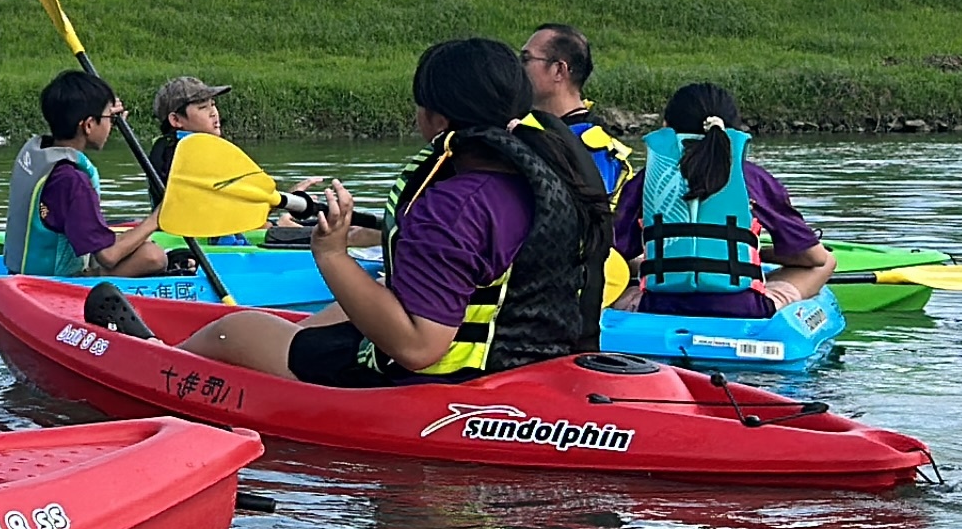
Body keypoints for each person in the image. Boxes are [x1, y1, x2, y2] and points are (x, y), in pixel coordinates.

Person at [87, 38, 606, 387]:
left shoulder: (453, 203)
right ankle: (285, 343)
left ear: (437, 117)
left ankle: (159, 359)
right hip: (529, 362)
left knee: (236, 329)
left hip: (435, 383)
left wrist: (332, 254)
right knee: (331, 316)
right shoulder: (551, 173)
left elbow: (420, 347)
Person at [612, 84, 835, 318]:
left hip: (658, 306)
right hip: (744, 309)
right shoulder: (753, 179)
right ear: (733, 128)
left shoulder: (646, 180)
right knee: (827, 262)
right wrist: (762, 254)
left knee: (622, 275)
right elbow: (814, 257)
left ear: (667, 127)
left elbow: (616, 254)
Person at [3, 72, 169, 279]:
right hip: (51, 280)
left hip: (23, 266)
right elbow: (108, 256)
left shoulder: (39, 152)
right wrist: (157, 218)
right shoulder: (73, 181)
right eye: (109, 117)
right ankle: (92, 277)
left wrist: (104, 114)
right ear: (89, 125)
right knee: (153, 256)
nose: (111, 124)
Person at [521, 24, 632, 196]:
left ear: (559, 70)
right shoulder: (523, 127)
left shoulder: (598, 151)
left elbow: (597, 217)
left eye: (526, 59)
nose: (517, 68)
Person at [143, 76, 232, 186]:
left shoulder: (203, 148)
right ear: (175, 120)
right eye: (203, 107)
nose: (213, 113)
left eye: (213, 105)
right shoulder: (174, 155)